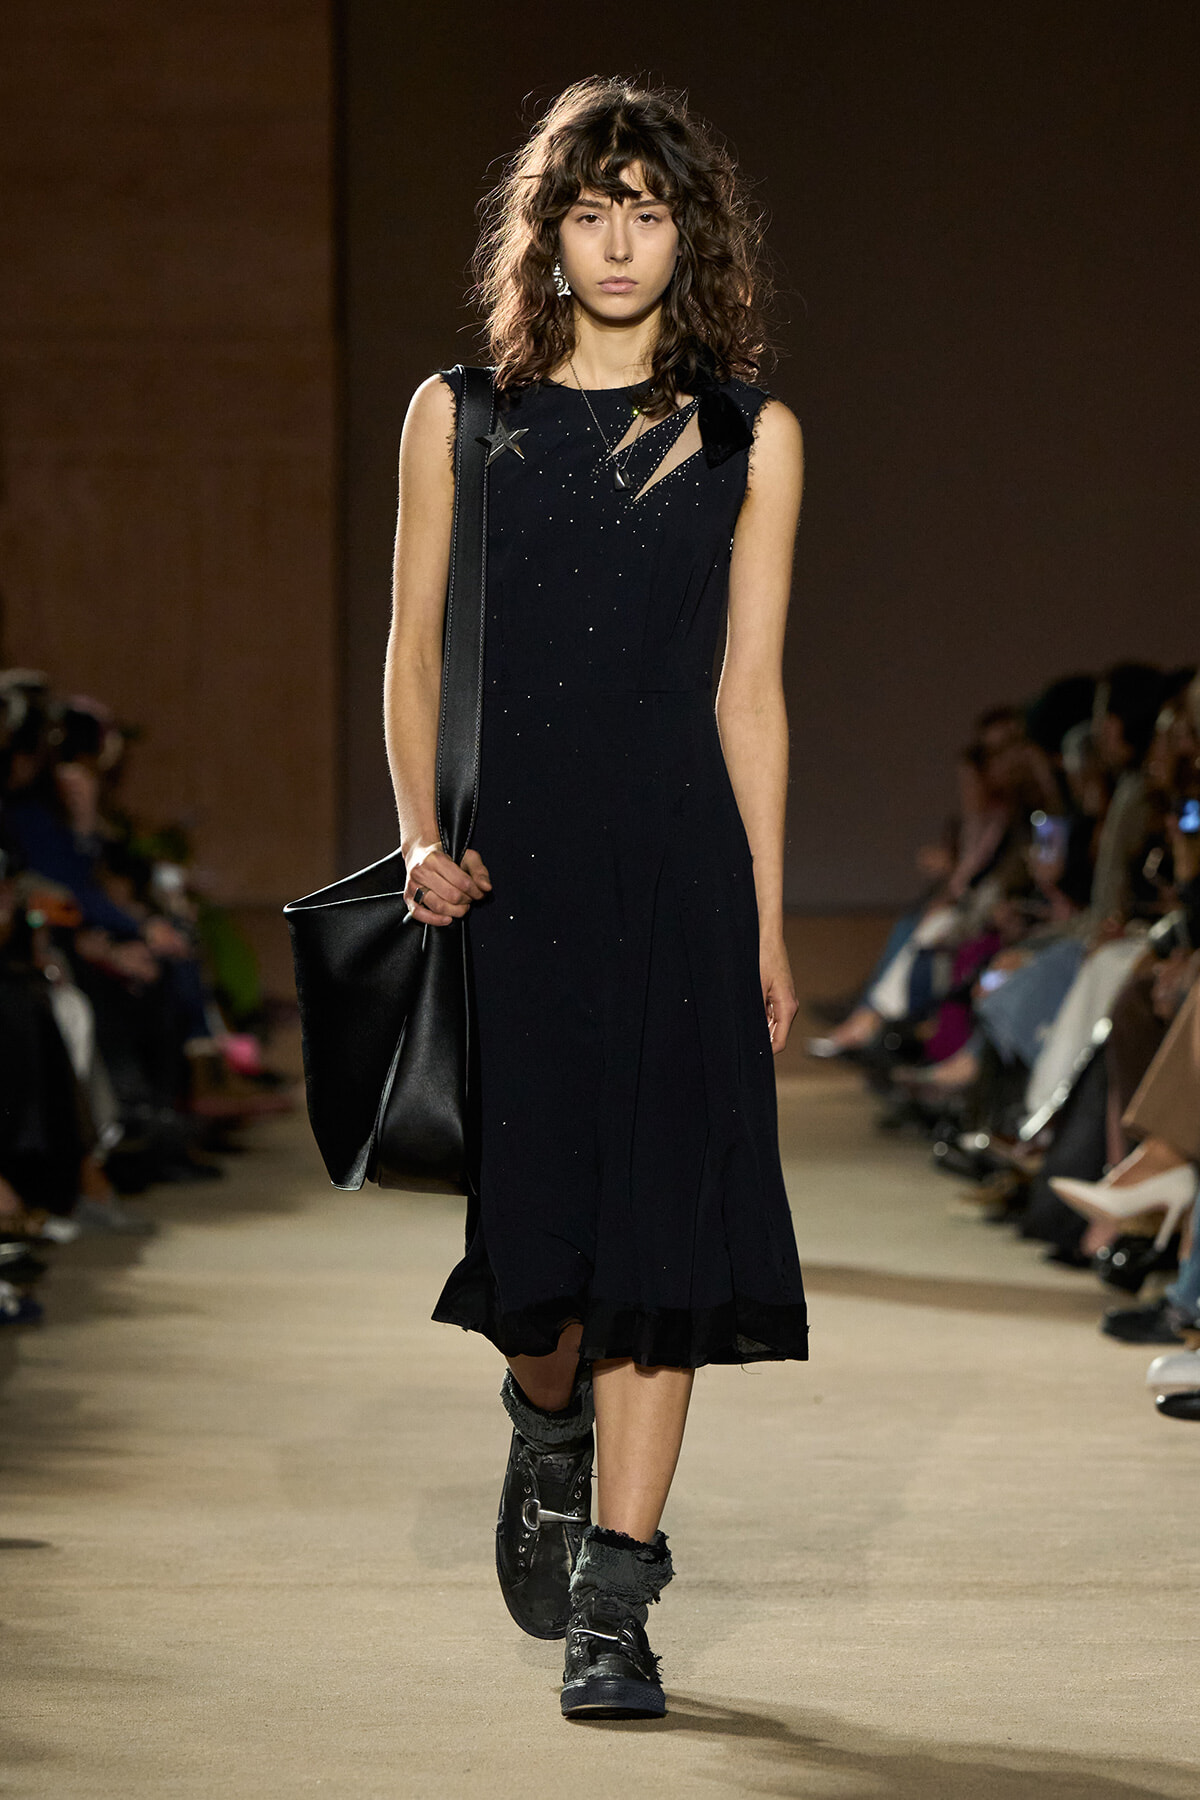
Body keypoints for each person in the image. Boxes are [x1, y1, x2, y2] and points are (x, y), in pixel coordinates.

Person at [382, 78, 808, 1721]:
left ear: (689, 233)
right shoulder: (463, 413)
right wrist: (421, 835)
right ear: (546, 229)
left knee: (664, 1245)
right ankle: (543, 1423)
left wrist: (765, 915)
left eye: (649, 209)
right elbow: (415, 649)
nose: (621, 240)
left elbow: (750, 694)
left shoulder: (754, 431)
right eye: (591, 207)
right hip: (514, 880)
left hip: (682, 873)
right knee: (540, 1269)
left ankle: (615, 1607)